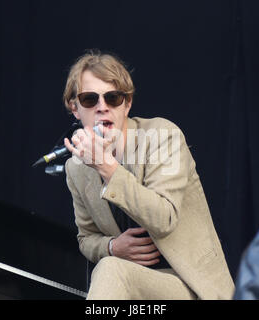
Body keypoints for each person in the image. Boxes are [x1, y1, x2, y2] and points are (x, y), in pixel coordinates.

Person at [63, 50, 235, 300]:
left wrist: (107, 167)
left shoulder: (163, 137)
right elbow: (86, 238)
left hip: (192, 288)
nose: (102, 107)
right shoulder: (77, 167)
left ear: (127, 104)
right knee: (112, 266)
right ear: (75, 108)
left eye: (113, 98)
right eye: (90, 99)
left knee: (112, 270)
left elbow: (164, 218)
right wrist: (112, 247)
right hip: (136, 290)